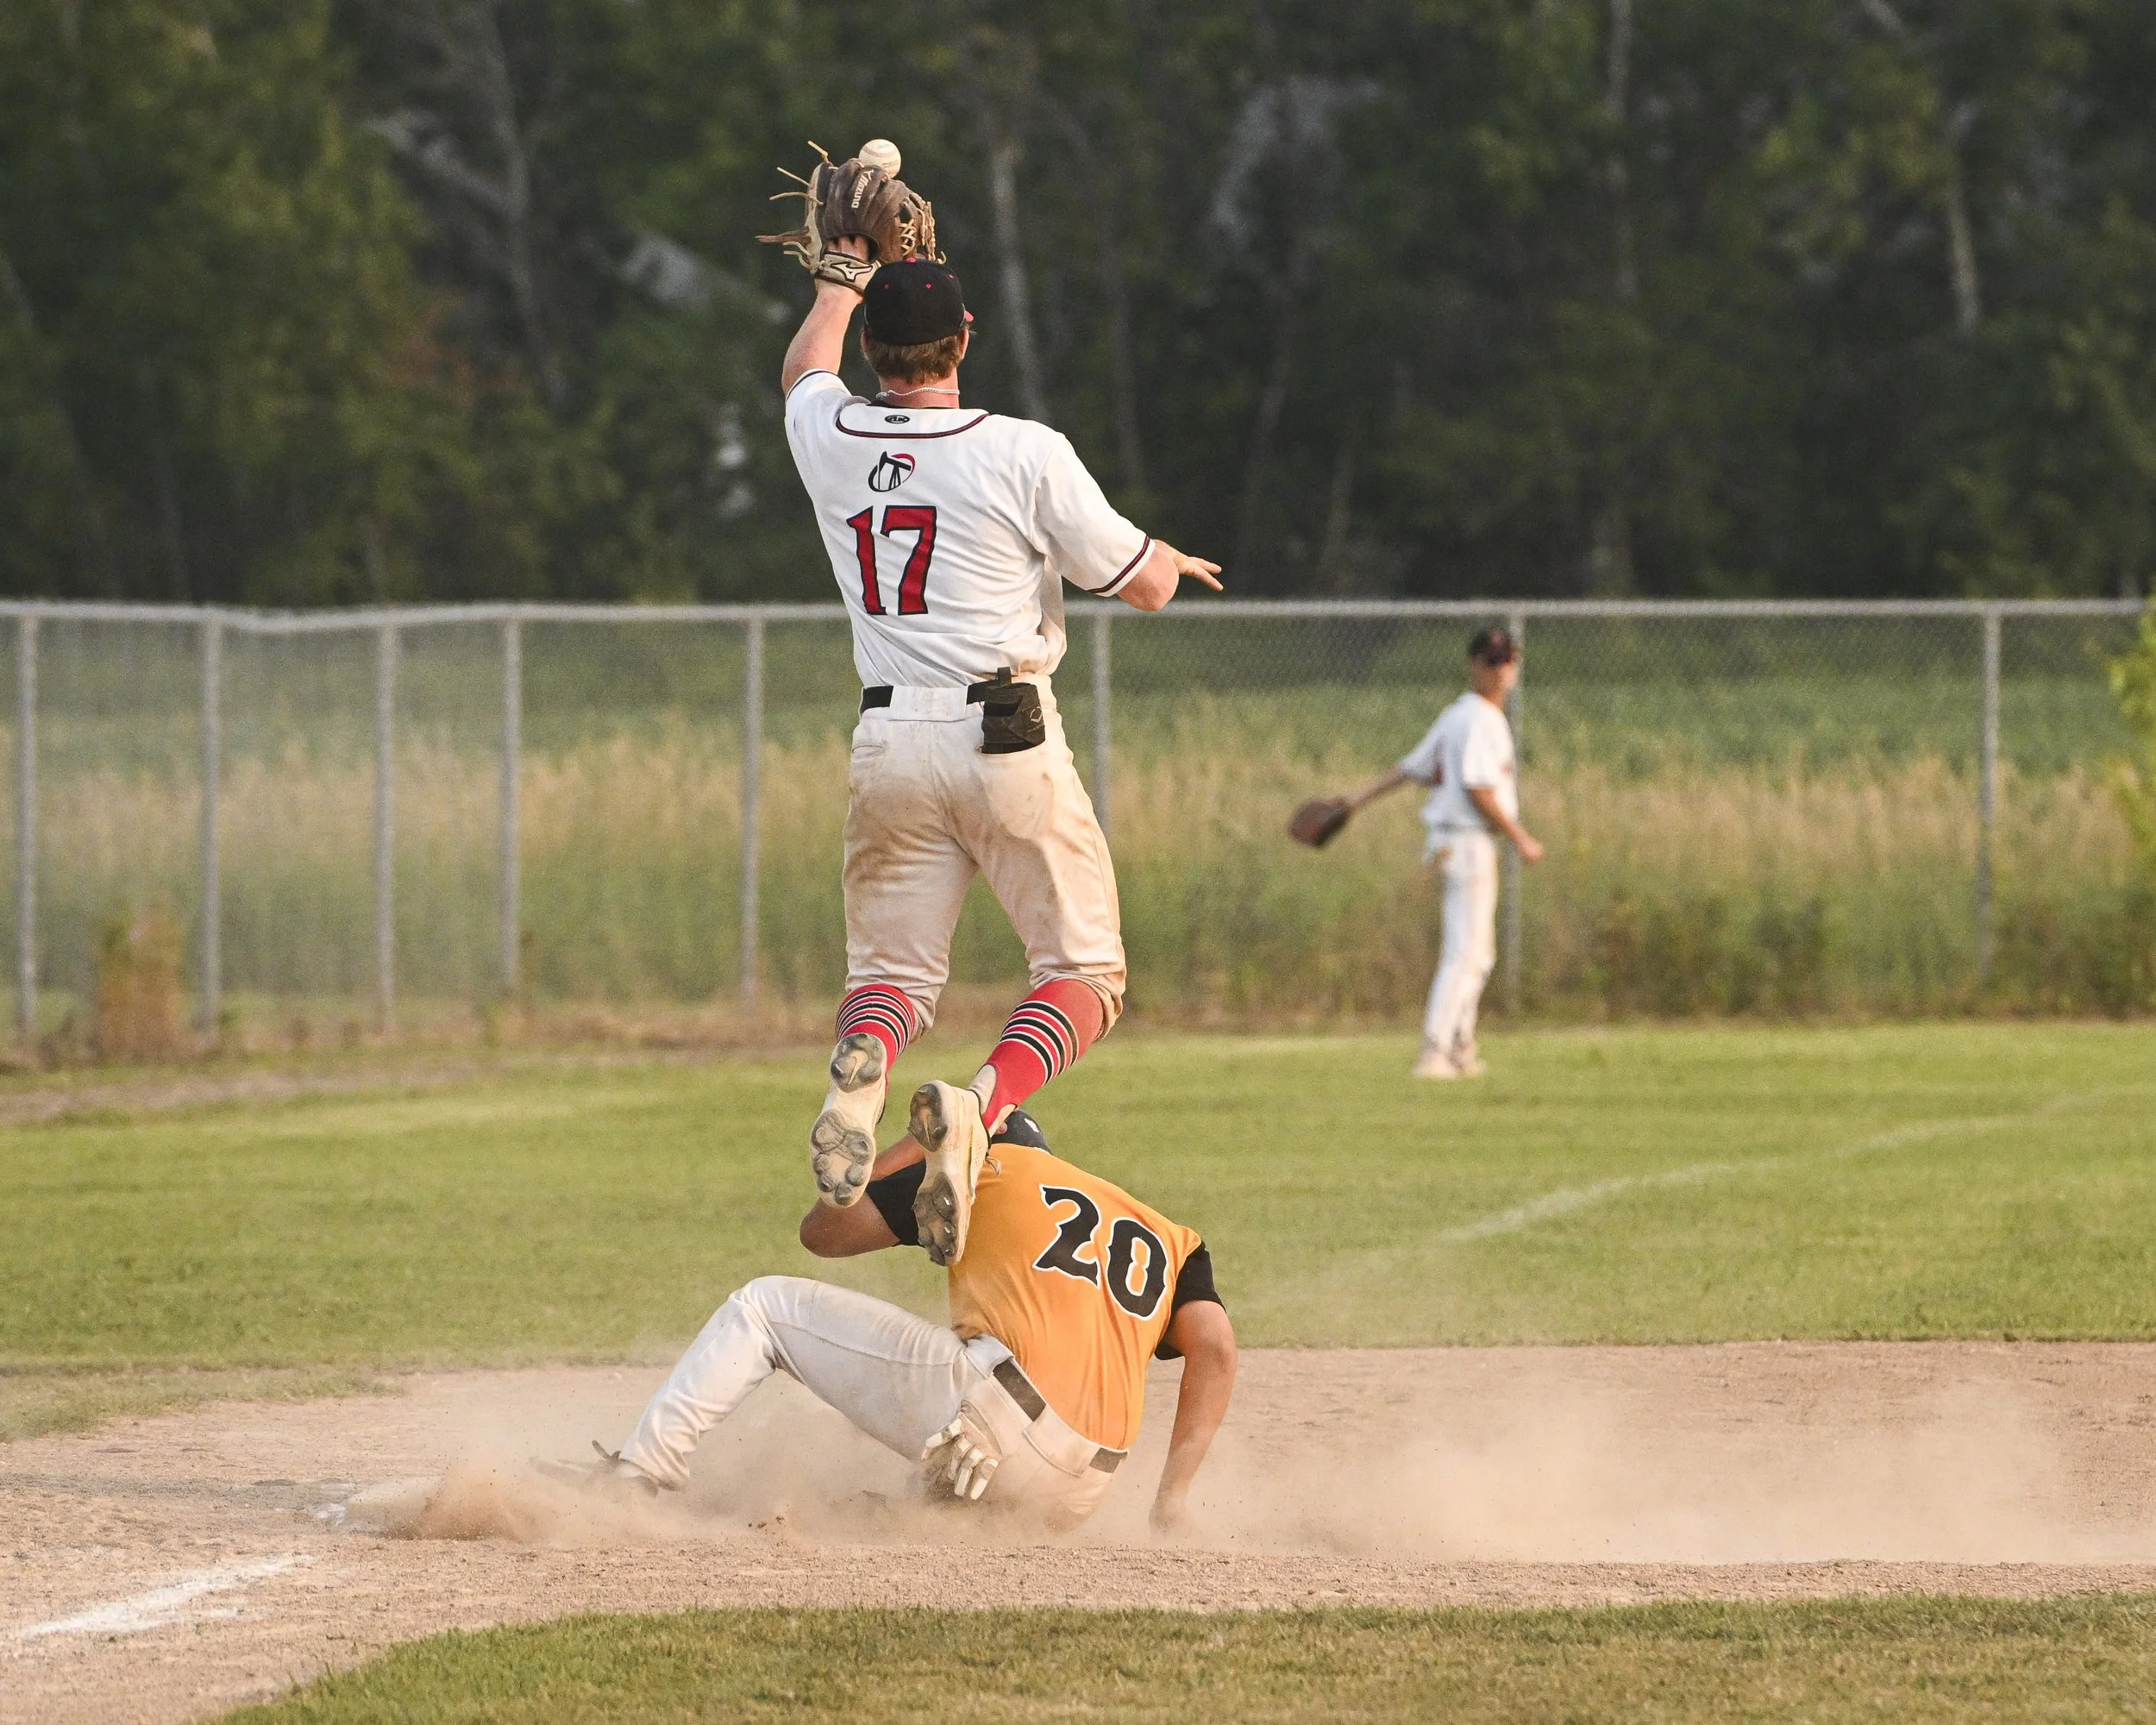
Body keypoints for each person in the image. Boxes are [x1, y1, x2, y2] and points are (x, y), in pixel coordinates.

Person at [779, 230, 1221, 1266]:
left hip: (889, 734)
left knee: (890, 973)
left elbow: (805, 368)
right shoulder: (1022, 447)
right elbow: (1142, 584)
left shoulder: (829, 433)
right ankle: (978, 1105)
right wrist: (1164, 556)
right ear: (964, 337)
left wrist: (837, 281)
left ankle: (868, 1062)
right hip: (1005, 732)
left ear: (877, 350)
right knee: (1082, 972)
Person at [578, 1110, 1237, 1533]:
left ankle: (635, 1478)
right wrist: (1171, 1498)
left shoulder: (981, 1165)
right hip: (1086, 1486)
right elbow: (1216, 1349)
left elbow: (823, 1234)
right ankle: (922, 1510)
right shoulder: (1166, 1234)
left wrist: (918, 1146)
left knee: (762, 1308)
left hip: (996, 1412)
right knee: (939, 1464)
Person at [1334, 626, 1544, 1078]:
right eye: (1492, 660)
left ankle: (1461, 1048)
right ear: (1474, 666)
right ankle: (1434, 1051)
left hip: (1454, 843)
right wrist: (1521, 836)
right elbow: (1479, 788)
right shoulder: (1478, 719)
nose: (1501, 669)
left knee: (1478, 953)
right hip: (1466, 841)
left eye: (1507, 660)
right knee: (1466, 954)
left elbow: (1410, 769)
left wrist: (1355, 800)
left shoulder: (1460, 715)